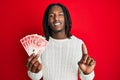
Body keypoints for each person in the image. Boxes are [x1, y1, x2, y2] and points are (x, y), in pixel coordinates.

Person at [26, 3, 96, 80]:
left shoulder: (79, 44)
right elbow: (36, 77)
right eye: (51, 16)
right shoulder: (39, 44)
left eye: (60, 14)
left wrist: (87, 73)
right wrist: (34, 71)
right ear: (47, 22)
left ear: (66, 19)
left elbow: (87, 78)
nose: (56, 19)